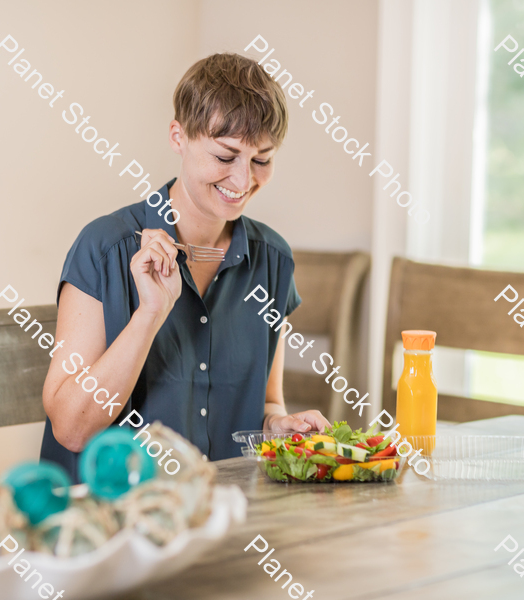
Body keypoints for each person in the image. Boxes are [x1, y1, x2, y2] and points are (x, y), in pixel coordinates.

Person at [40, 52, 331, 480]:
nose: (243, 179)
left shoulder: (272, 261)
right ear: (179, 136)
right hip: (104, 522)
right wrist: (149, 315)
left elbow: (268, 404)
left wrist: (278, 427)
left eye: (262, 160)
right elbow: (72, 429)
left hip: (211, 518)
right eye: (225, 156)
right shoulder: (105, 248)